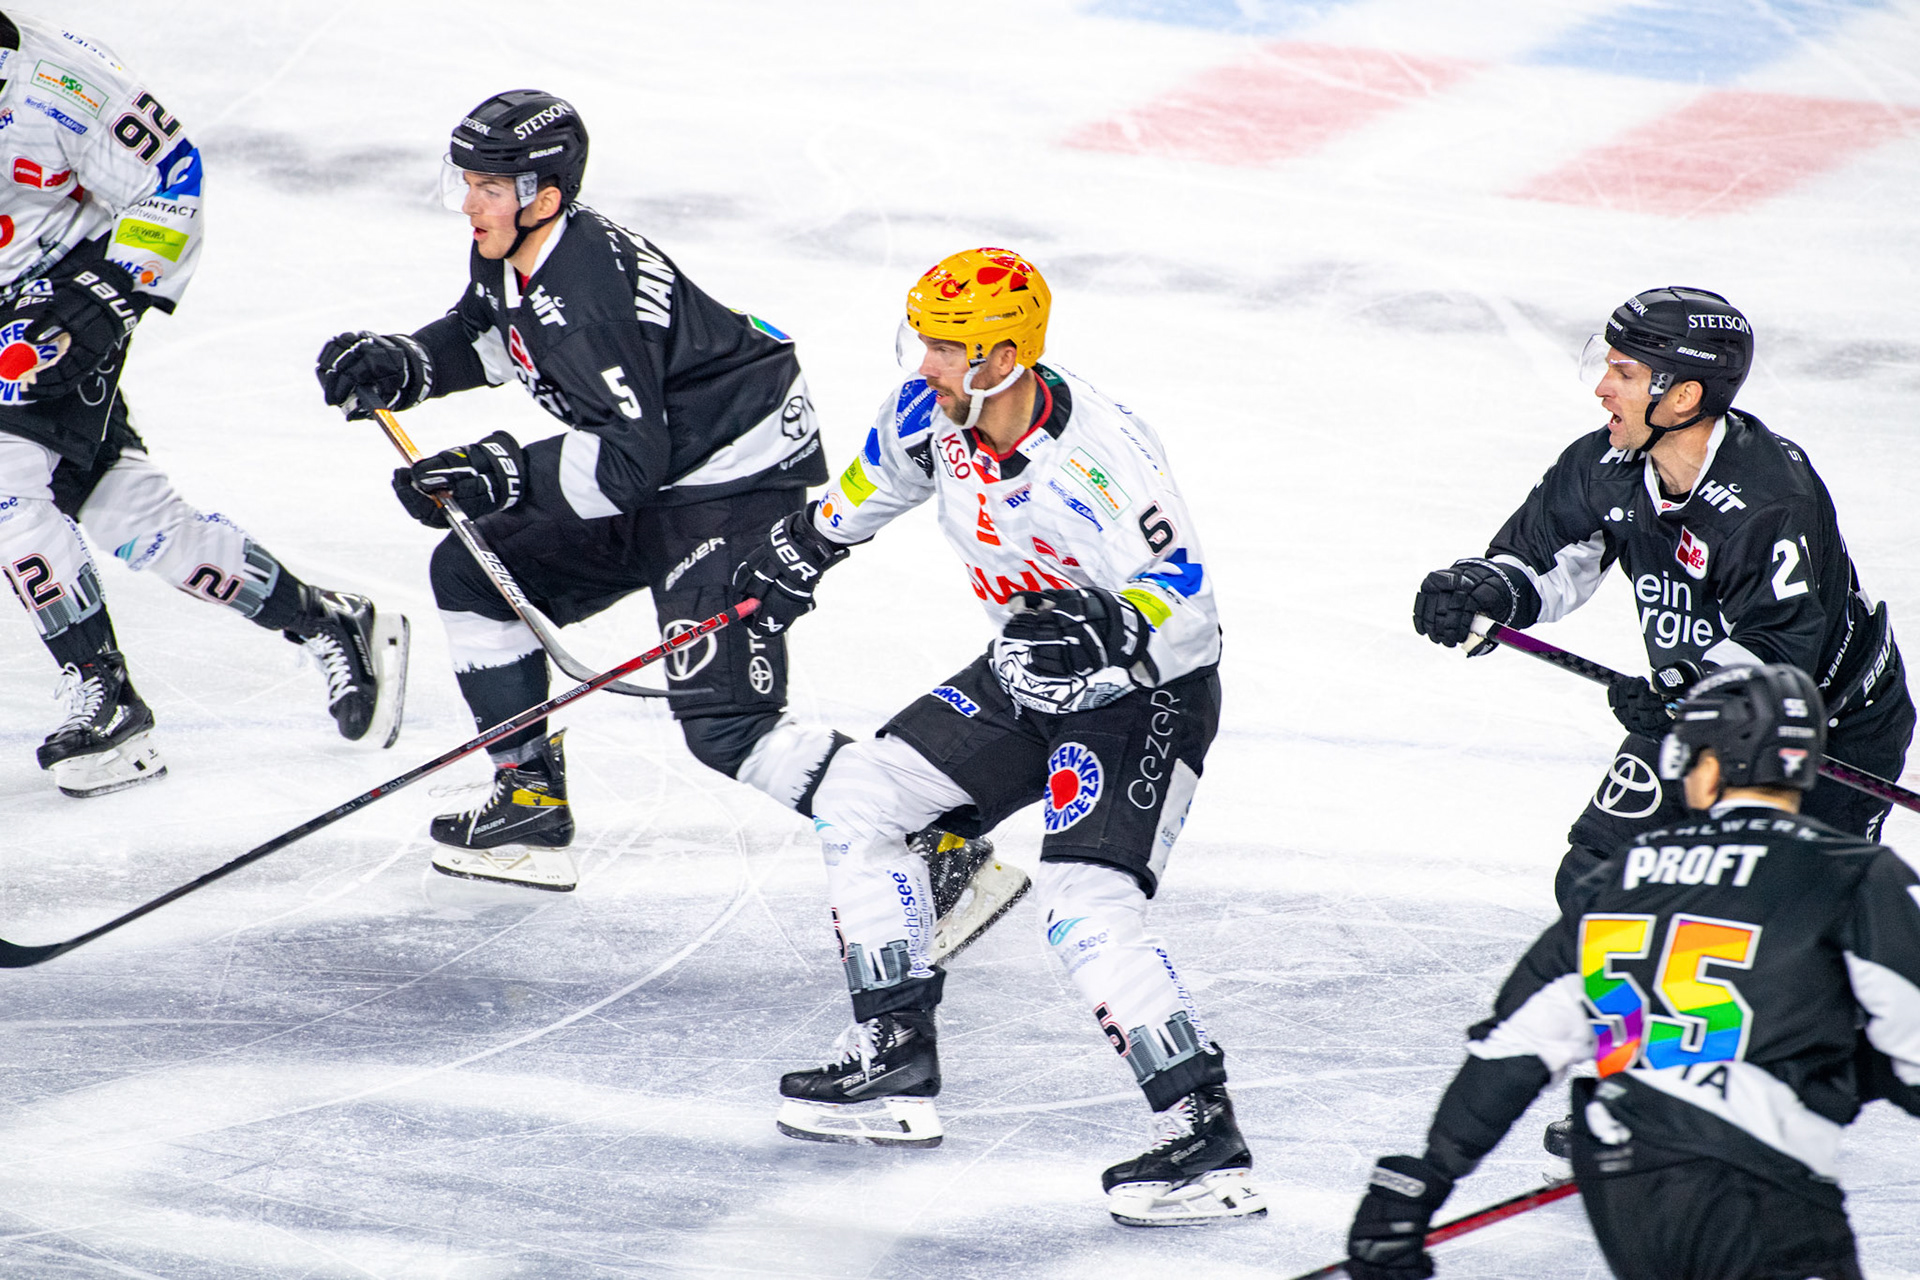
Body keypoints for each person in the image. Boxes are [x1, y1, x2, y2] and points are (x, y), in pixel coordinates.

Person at [735, 247, 1264, 1226]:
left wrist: (1109, 625)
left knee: (1084, 900)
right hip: (1027, 675)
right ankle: (894, 1060)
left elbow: (1189, 605)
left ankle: (1205, 1134)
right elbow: (856, 500)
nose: (924, 365)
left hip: (1144, 694)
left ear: (1002, 359)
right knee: (859, 798)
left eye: (946, 347)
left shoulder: (1101, 457)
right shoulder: (925, 417)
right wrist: (780, 566)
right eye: (923, 341)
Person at [316, 90, 856, 892]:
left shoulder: (588, 300)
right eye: (464, 181)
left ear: (546, 196)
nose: (469, 203)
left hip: (736, 477)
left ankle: (930, 841)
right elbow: (488, 332)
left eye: (489, 188)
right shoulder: (513, 249)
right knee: (473, 574)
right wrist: (407, 364)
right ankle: (527, 800)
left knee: (726, 728)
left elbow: (630, 462)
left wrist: (502, 472)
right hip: (670, 463)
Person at [1343, 664, 1920, 1280]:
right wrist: (1841, 1071)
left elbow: (1519, 1044)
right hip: (1763, 1190)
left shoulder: (1624, 871)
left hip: (1624, 1187)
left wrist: (1424, 1181)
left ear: (1712, 760)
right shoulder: (1852, 872)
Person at [0, 11, 407, 798]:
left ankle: (107, 696)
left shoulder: (63, 85)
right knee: (134, 520)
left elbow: (172, 173)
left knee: (7, 489)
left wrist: (114, 291)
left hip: (60, 307)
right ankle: (325, 618)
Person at [1413, 286, 1913, 908]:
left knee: (1788, 926)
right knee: (1601, 882)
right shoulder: (1604, 463)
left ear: (1683, 395)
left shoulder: (1773, 496)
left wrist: (1687, 690)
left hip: (1829, 726)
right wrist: (1484, 590)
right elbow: (1548, 559)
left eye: (1624, 372)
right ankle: (1631, 1013)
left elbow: (1782, 648)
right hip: (1689, 701)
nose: (1602, 388)